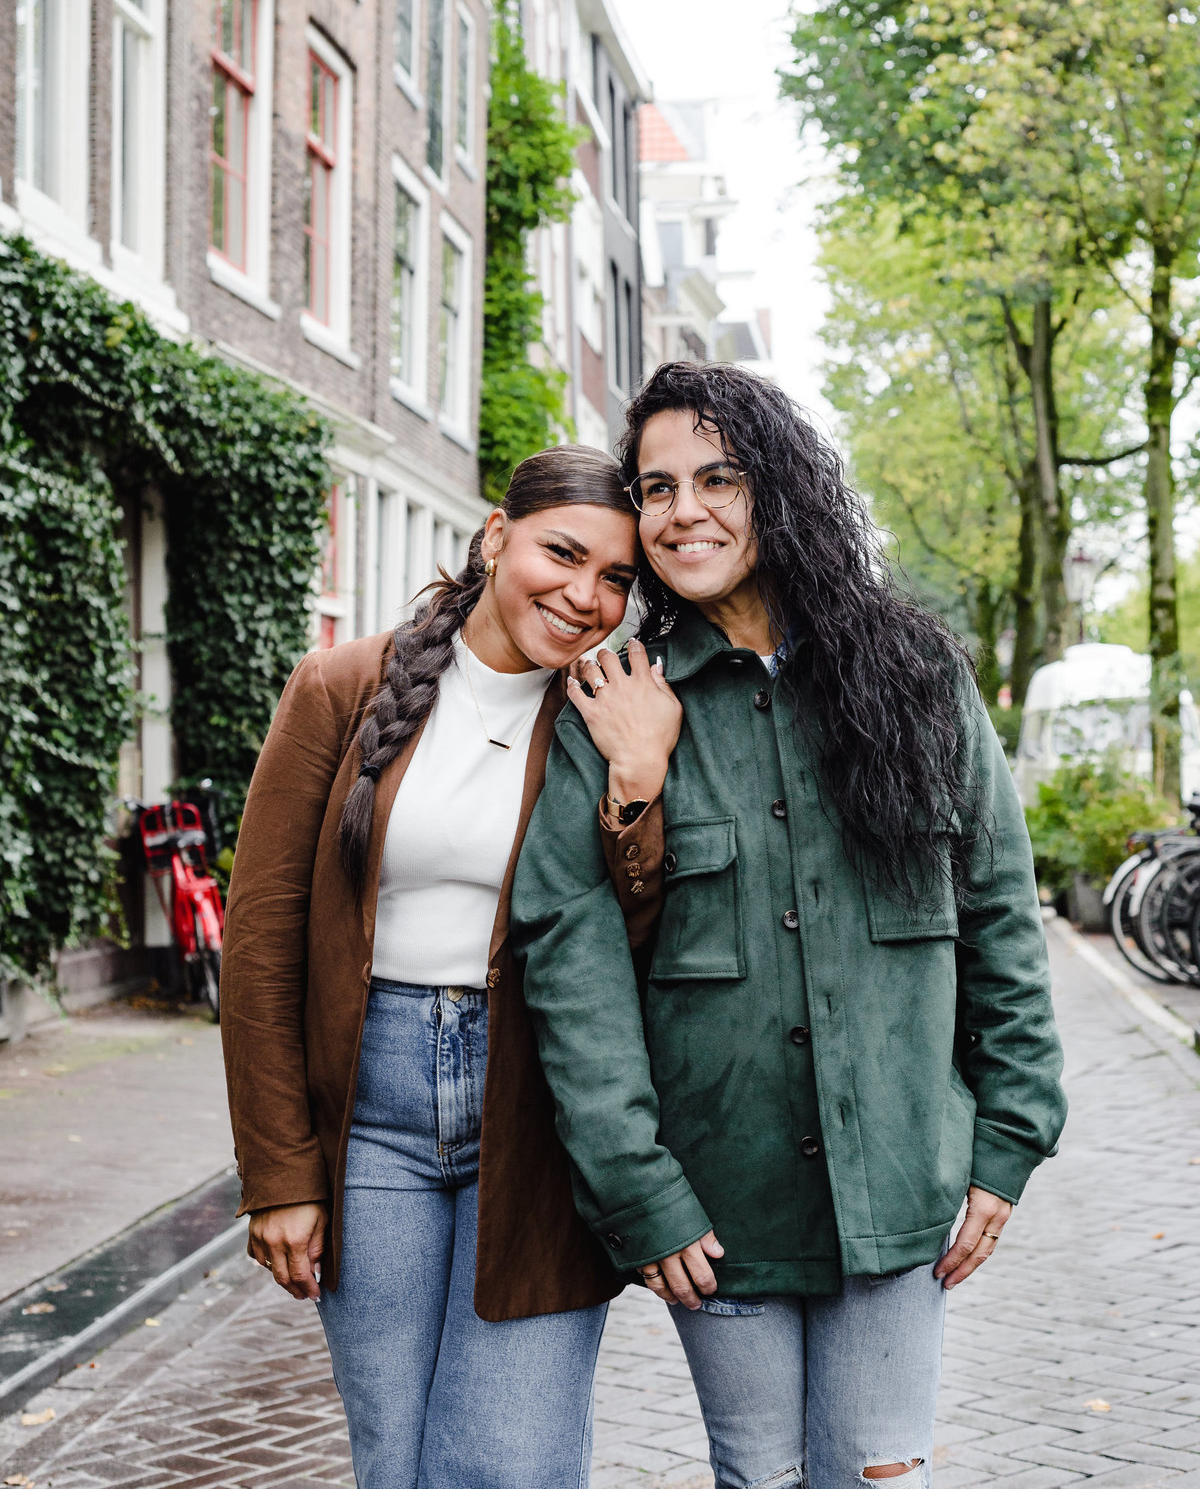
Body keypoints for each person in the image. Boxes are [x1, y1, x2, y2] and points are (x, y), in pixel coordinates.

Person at [511, 362, 1067, 1489]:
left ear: (781, 487)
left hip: (903, 1187)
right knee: (758, 1478)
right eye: (656, 489)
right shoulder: (615, 695)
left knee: (875, 1472)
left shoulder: (916, 675)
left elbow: (1001, 915)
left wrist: (1007, 1142)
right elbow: (571, 956)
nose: (684, 511)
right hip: (721, 1209)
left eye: (719, 477)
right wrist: (637, 1185)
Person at [220, 445, 665, 1489]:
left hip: (540, 1109)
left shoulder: (608, 716)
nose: (585, 596)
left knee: (511, 1459)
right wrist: (280, 1174)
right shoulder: (341, 687)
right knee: (395, 1455)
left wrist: (639, 780)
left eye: (616, 580)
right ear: (495, 532)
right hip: (371, 1112)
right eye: (564, 552)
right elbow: (263, 939)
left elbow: (643, 942)